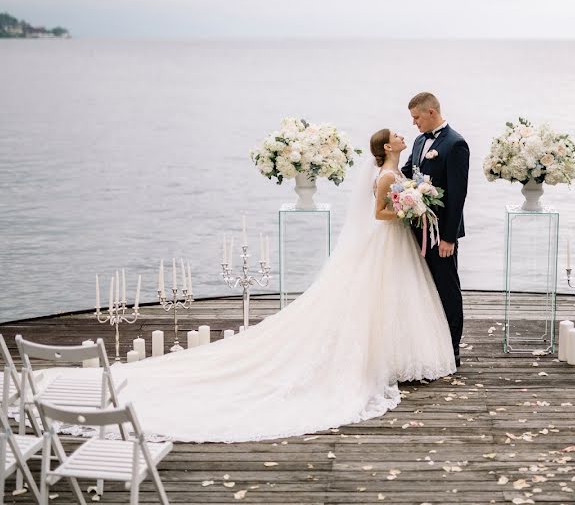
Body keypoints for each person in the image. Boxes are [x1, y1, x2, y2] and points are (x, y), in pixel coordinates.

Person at [41, 127, 455, 443]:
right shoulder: (384, 176)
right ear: (386, 147)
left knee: (393, 300)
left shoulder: (395, 169)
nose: (404, 134)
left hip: (392, 245)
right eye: (397, 135)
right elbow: (378, 214)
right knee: (375, 298)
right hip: (385, 239)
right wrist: (405, 208)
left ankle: (395, 355)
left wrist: (412, 198)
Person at [401, 92, 469, 367]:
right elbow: (408, 172)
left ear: (431, 112)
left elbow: (458, 195)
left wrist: (449, 237)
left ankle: (452, 350)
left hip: (441, 233)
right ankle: (429, 346)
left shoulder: (456, 144)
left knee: (447, 288)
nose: (414, 123)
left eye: (417, 117)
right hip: (418, 228)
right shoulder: (419, 141)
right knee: (424, 287)